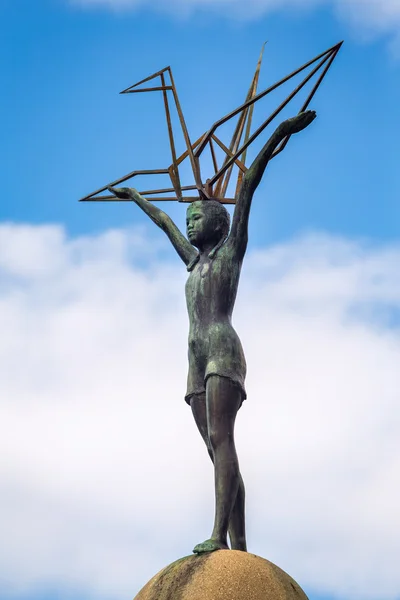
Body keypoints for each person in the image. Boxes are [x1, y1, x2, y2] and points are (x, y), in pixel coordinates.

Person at [108, 110, 317, 554]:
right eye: (190, 218)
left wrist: (281, 132)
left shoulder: (229, 253)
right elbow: (165, 221)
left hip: (222, 350)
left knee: (222, 439)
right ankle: (239, 541)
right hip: (195, 357)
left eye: (197, 217)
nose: (189, 223)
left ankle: (220, 535)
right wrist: (136, 198)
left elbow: (247, 186)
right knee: (213, 446)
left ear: (218, 223)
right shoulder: (193, 261)